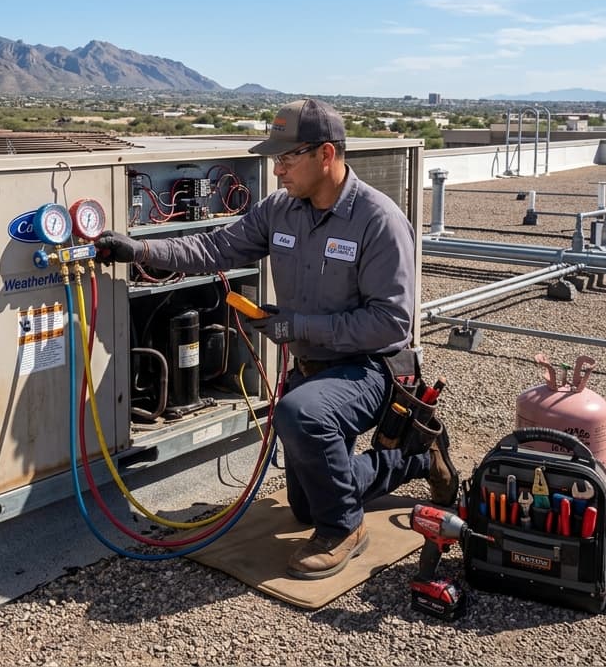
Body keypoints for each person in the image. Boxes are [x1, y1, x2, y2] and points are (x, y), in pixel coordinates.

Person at [96, 98, 458, 580]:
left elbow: (391, 323)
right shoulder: (280, 210)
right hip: (315, 370)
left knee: (298, 415)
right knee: (305, 506)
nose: (277, 168)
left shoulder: (379, 220)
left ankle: (344, 529)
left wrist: (295, 326)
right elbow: (214, 247)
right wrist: (139, 248)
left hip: (373, 368)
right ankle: (413, 458)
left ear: (325, 154)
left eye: (287, 158)